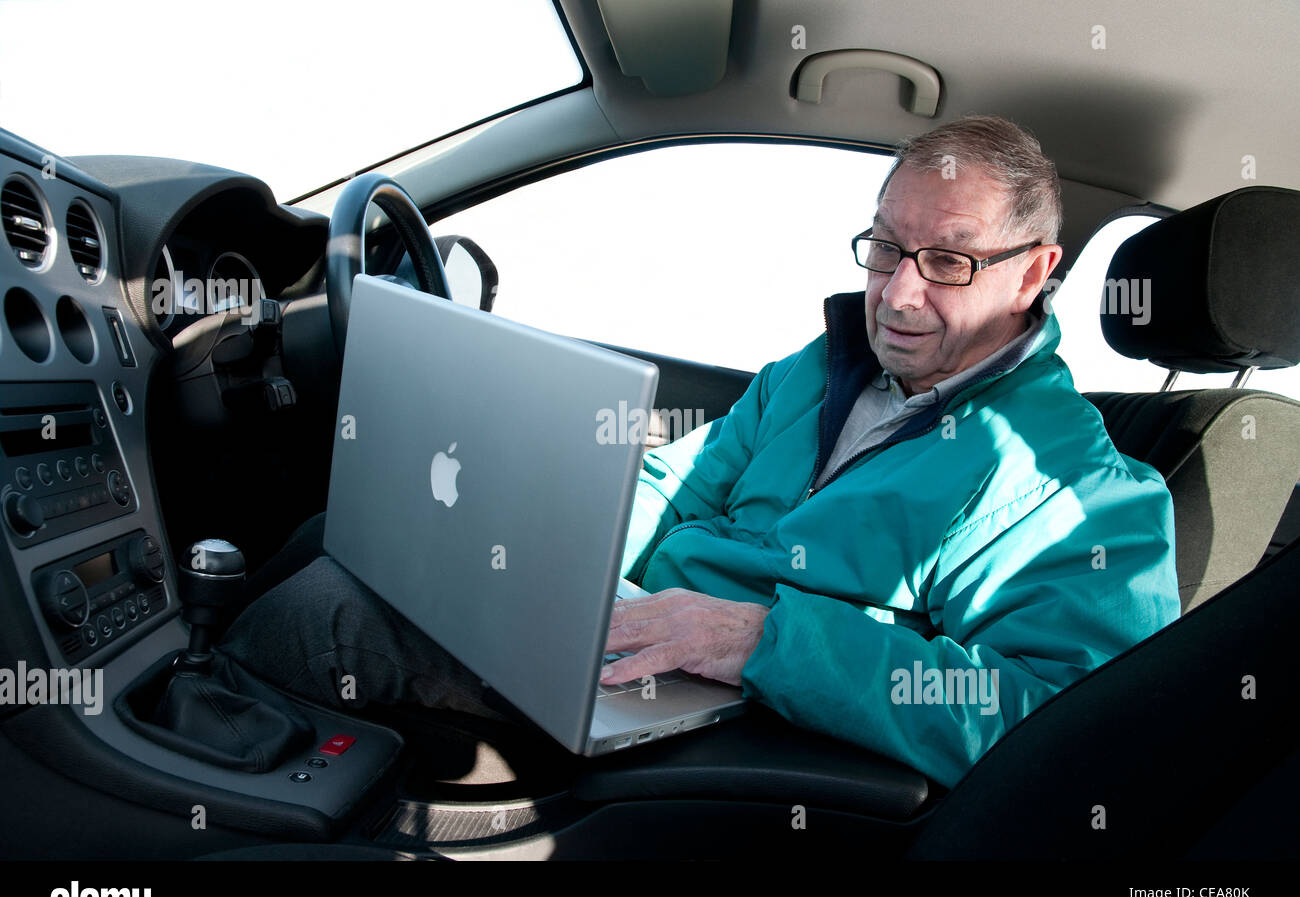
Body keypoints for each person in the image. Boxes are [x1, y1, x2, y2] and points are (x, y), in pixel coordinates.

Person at [220, 115, 1181, 789]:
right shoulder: (816, 369)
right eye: (885, 248)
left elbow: (1057, 729)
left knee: (331, 615)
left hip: (758, 725)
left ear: (1034, 271)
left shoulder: (1090, 498)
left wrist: (762, 641)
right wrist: (546, 547)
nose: (895, 295)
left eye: (948, 260)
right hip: (633, 636)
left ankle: (167, 794)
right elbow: (676, 487)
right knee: (339, 535)